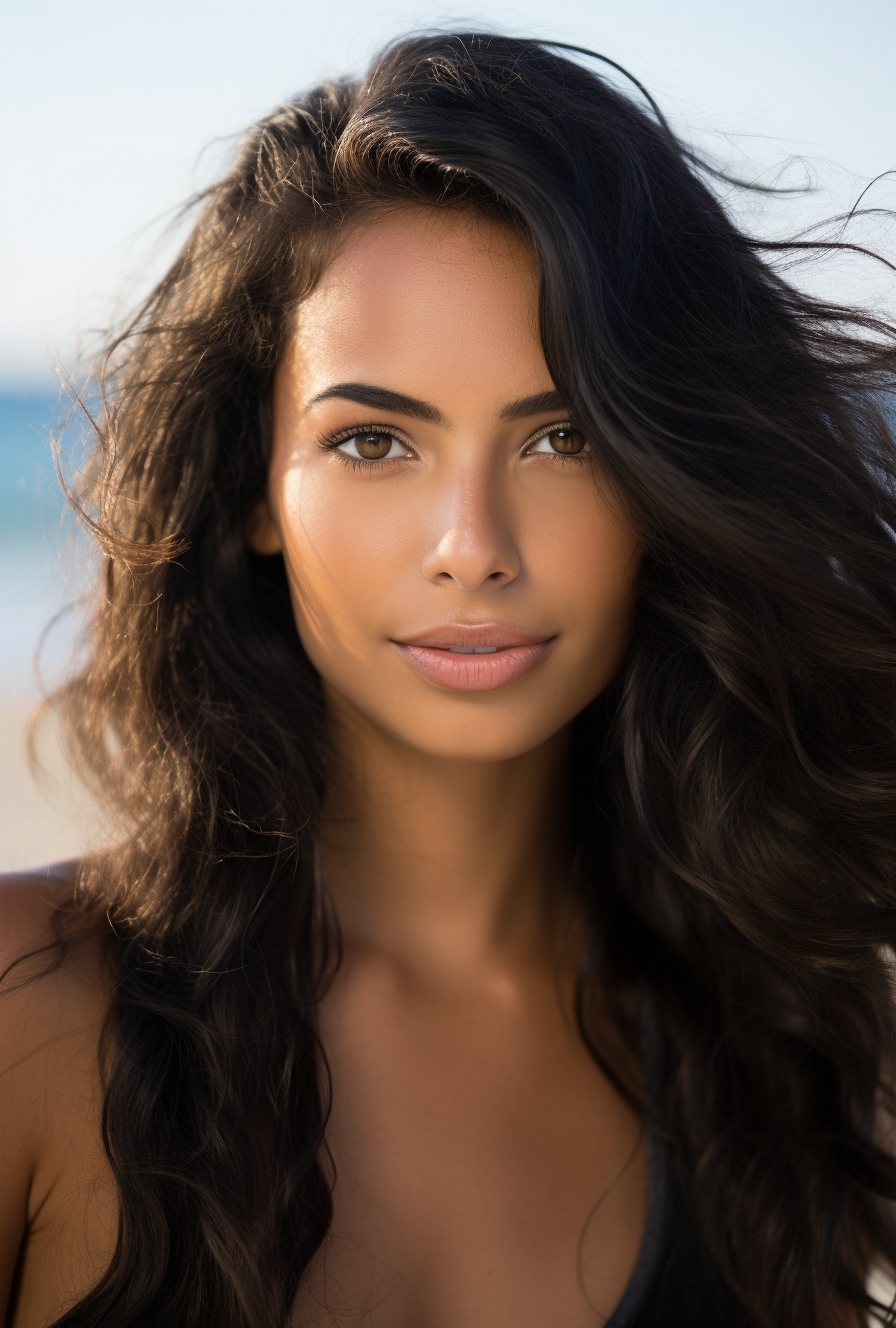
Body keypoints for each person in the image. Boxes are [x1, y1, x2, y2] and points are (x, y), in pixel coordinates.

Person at [1, 31, 895, 1328]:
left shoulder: (776, 1053)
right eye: (374, 440)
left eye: (563, 435)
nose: (473, 546)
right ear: (257, 491)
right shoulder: (31, 1009)